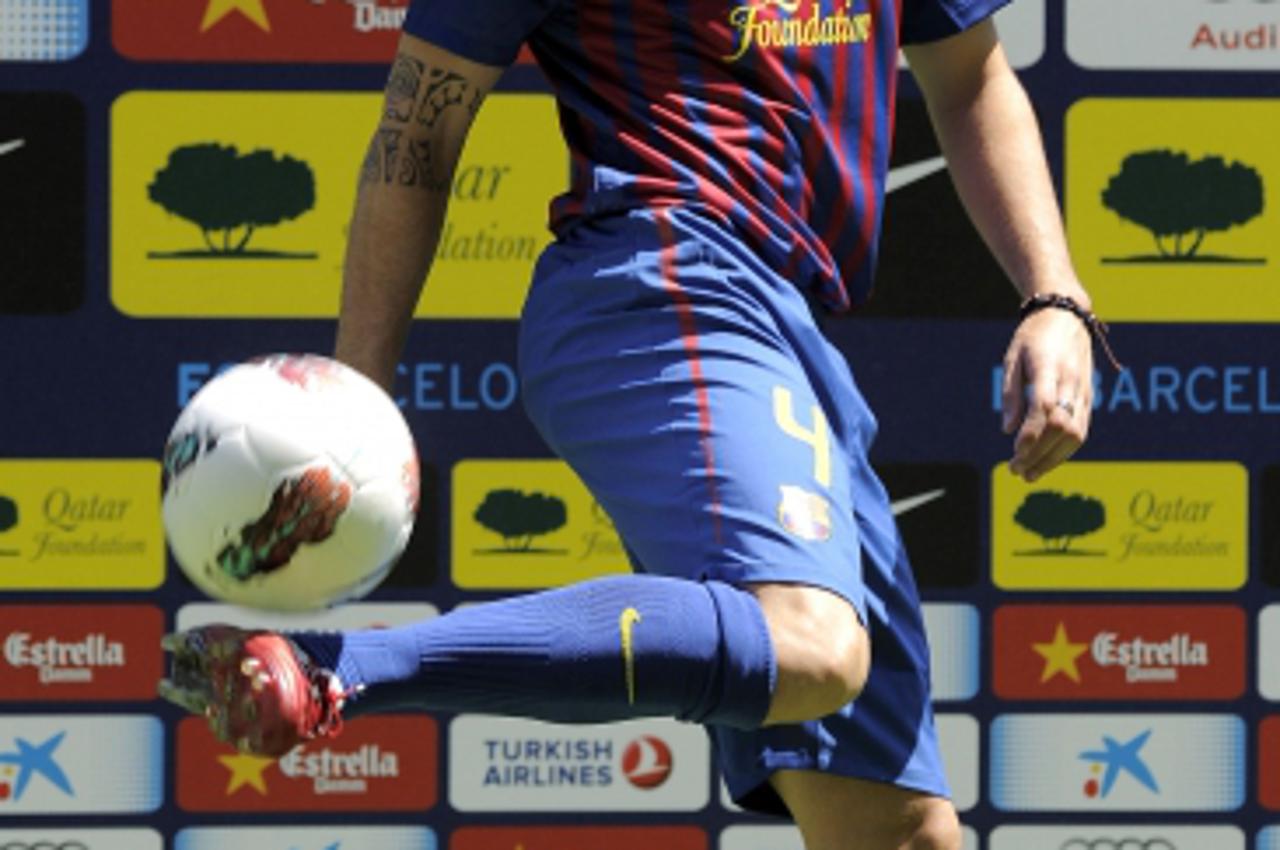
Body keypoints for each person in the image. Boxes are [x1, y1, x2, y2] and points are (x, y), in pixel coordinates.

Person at [160, 1, 1106, 847]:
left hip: (792, 328)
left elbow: (971, 75)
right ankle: (339, 669)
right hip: (661, 283)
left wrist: (1054, 295)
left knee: (896, 832)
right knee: (813, 644)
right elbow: (420, 130)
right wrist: (355, 398)